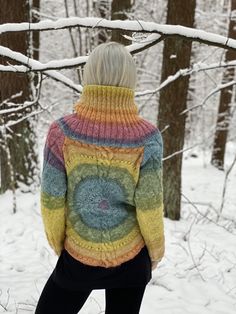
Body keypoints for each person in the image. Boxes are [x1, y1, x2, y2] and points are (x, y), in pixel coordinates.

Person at [35, 41, 165, 314]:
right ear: (131, 77)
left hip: (79, 252)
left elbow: (52, 201)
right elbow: (149, 205)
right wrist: (155, 252)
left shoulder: (62, 132)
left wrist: (63, 245)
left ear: (89, 73)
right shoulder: (148, 137)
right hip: (132, 256)